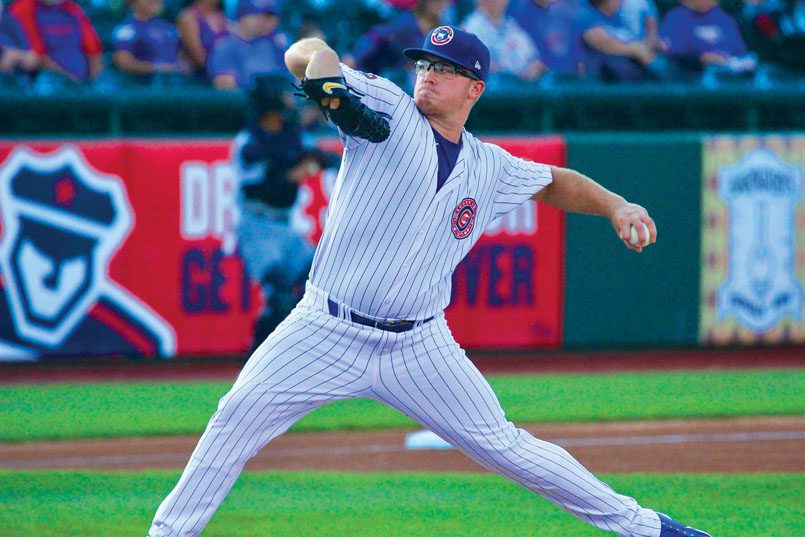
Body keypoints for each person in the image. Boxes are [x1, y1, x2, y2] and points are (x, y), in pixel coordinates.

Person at [147, 25, 711, 537]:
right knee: (234, 418)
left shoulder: (489, 166)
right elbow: (306, 53)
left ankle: (649, 529)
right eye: (424, 64)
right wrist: (330, 89)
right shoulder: (387, 107)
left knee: (508, 447)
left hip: (419, 345)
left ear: (474, 89)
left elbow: (554, 182)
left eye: (445, 69)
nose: (429, 75)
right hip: (324, 327)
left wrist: (616, 204)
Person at [230, 73, 327, 351]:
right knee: (279, 297)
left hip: (285, 225)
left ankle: (286, 353)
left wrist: (306, 164)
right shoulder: (249, 141)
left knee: (318, 278)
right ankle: (257, 358)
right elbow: (260, 188)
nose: (289, 99)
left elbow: (323, 158)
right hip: (257, 224)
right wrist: (293, 172)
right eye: (283, 94)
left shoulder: (292, 132)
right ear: (271, 100)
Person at [342, 0, 448, 85]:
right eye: (437, 2)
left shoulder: (440, 30)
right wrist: (354, 56)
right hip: (376, 70)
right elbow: (376, 35)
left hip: (404, 77)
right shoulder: (408, 21)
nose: (441, 6)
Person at [7, 0, 103, 84]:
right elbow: (35, 54)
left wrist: (91, 79)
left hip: (80, 80)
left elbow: (93, 48)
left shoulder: (72, 8)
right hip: (45, 81)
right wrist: (69, 76)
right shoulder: (23, 8)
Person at [659, 0, 755, 79]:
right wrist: (702, 58)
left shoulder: (724, 17)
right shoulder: (675, 17)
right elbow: (673, 50)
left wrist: (724, 59)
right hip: (691, 72)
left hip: (729, 70)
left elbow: (740, 50)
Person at [206, 0, 288, 89]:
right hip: (245, 97)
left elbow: (292, 80)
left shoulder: (274, 44)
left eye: (267, 16)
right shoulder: (225, 46)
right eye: (256, 14)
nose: (262, 20)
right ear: (242, 15)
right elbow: (225, 86)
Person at [461, 0, 545, 83]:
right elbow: (471, 65)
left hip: (520, 86)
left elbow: (535, 59)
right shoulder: (472, 26)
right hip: (490, 87)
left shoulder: (511, 25)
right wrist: (513, 73)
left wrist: (533, 69)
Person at [111, 0, 185, 82]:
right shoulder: (126, 29)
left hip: (176, 84)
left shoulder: (169, 27)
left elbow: (180, 55)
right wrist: (158, 68)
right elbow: (123, 63)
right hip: (142, 85)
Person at [175, 0, 229, 76]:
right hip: (197, 76)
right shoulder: (188, 17)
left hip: (223, 74)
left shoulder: (223, 17)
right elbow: (199, 58)